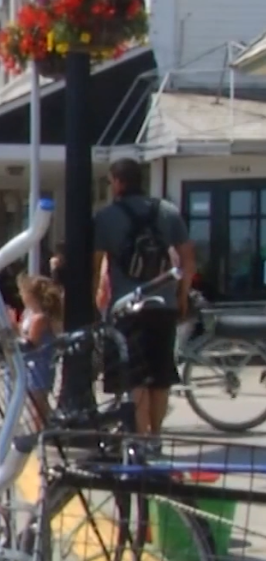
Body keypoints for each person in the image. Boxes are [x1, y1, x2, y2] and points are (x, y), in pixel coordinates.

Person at [93, 159, 194, 436]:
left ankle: (138, 438)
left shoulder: (107, 217)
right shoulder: (167, 211)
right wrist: (182, 296)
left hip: (127, 309)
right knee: (160, 377)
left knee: (134, 377)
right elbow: (188, 259)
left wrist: (98, 297)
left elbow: (97, 262)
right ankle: (156, 435)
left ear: (118, 182)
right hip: (164, 307)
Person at [19, 274, 63, 425]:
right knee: (39, 401)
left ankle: (41, 431)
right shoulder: (32, 315)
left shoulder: (39, 318)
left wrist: (13, 327)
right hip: (39, 363)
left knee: (38, 403)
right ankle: (50, 427)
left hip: (38, 364)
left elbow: (31, 342)